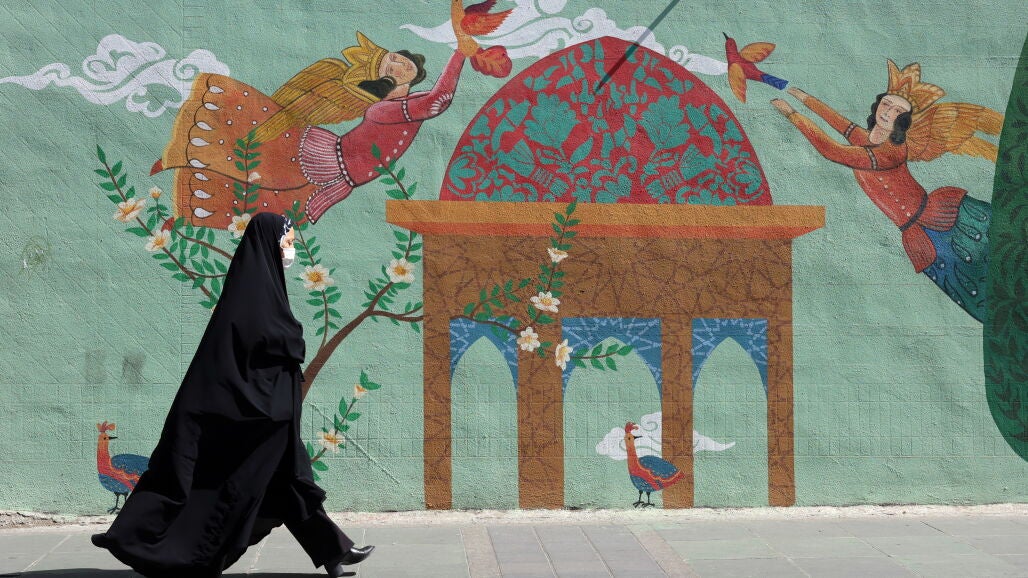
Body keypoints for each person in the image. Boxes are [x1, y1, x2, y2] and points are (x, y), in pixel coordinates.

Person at [92, 213, 372, 578]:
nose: (291, 251)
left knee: (287, 482)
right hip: (255, 420)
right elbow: (261, 349)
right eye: (287, 243)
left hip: (272, 418)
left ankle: (335, 553)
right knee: (280, 482)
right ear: (269, 244)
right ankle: (143, 543)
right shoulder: (252, 298)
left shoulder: (265, 290)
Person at [153, 31, 472, 228]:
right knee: (259, 158)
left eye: (406, 66)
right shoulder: (390, 107)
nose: (399, 65)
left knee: (267, 203)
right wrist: (460, 53)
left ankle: (186, 210)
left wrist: (462, 50)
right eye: (393, 60)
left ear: (413, 78)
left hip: (341, 176)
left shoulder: (408, 104)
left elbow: (436, 99)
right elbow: (437, 100)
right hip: (330, 160)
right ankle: (184, 154)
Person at [771, 60, 1002, 322]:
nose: (888, 111)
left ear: (902, 121)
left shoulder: (889, 151)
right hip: (917, 231)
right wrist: (805, 98)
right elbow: (843, 125)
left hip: (939, 223)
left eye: (897, 111)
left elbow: (832, 150)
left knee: (989, 267)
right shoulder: (872, 140)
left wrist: (792, 114)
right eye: (886, 104)